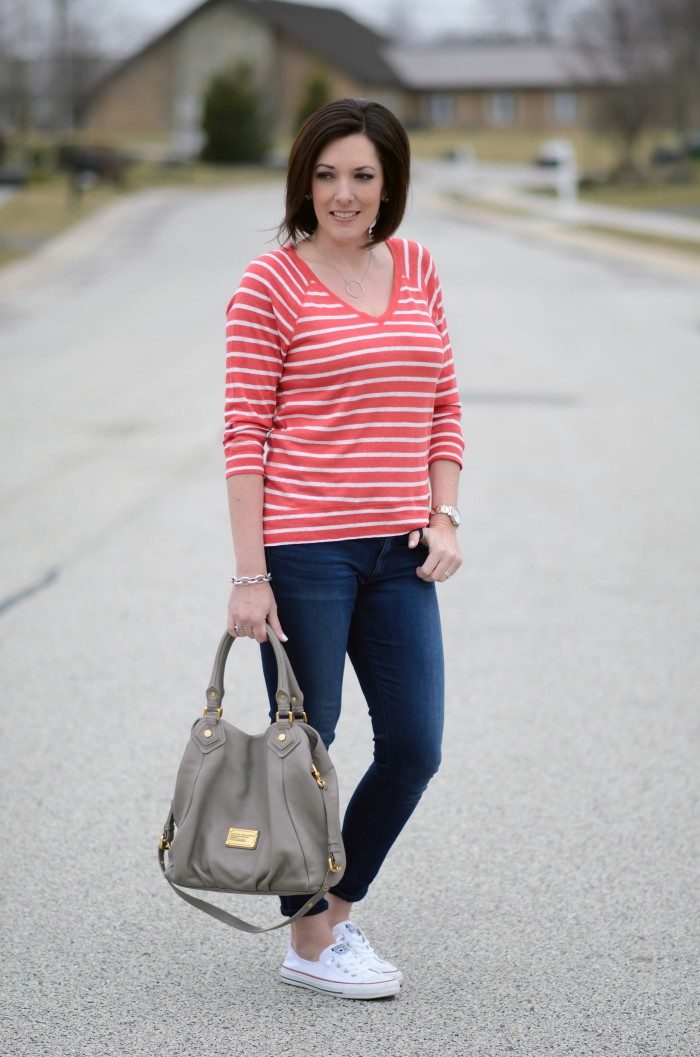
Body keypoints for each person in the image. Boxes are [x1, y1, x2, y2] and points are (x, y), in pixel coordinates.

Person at [223, 97, 464, 1000]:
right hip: (305, 551)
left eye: (362, 174)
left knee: (414, 743)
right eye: (326, 174)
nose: (344, 193)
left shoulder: (417, 266)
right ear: (303, 180)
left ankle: (334, 909)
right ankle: (316, 937)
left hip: (400, 549)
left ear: (389, 181)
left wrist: (445, 518)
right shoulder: (270, 283)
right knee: (306, 748)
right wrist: (251, 576)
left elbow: (444, 406)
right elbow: (245, 433)